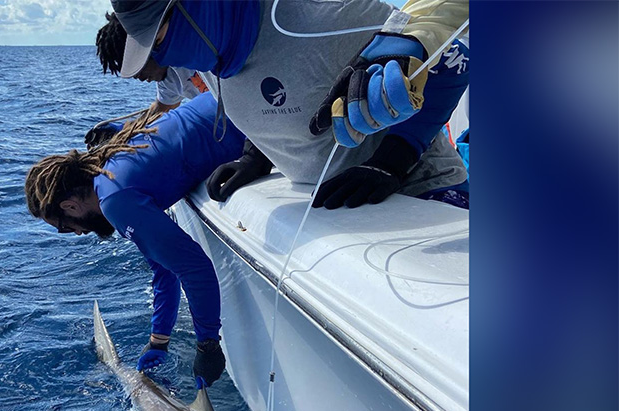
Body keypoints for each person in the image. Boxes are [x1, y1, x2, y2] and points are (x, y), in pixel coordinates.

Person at [110, 0, 470, 210]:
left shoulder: (320, 18)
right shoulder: (208, 52)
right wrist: (255, 156)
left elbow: (455, 60)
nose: (163, 59)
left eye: (159, 40)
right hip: (340, 215)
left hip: (422, 196)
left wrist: (392, 161)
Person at [25, 93, 247, 387]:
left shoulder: (115, 201)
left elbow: (195, 268)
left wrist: (208, 344)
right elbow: (164, 265)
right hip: (233, 99)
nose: (77, 233)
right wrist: (159, 340)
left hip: (250, 123)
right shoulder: (110, 165)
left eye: (64, 227)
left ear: (70, 206)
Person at [85, 12, 210, 149]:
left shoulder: (195, 50)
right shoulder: (168, 78)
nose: (136, 76)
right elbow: (159, 111)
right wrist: (123, 131)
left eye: (135, 67)